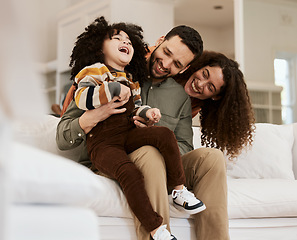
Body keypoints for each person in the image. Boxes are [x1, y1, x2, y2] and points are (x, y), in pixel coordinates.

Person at [57, 21, 230, 240]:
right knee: (150, 154)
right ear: (159, 42)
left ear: (184, 69)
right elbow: (63, 136)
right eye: (166, 52)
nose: (165, 64)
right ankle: (159, 233)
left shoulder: (179, 97)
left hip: (159, 168)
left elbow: (184, 146)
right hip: (112, 160)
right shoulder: (113, 69)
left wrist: (154, 134)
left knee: (212, 158)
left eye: (176, 64)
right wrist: (93, 117)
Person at [175, 50, 255, 159]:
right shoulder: (173, 69)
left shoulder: (193, 106)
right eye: (204, 74)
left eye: (210, 87)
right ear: (200, 66)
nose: (200, 83)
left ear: (215, 96)